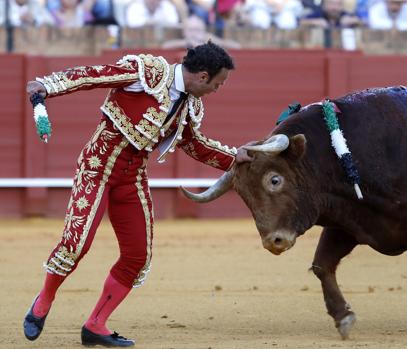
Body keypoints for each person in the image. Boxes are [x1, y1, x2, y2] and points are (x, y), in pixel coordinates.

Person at [23, 42, 252, 347]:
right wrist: (47, 86)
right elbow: (93, 75)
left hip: (132, 178)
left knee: (137, 256)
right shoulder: (147, 72)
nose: (217, 90)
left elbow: (194, 144)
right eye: (218, 83)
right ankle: (44, 300)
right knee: (75, 245)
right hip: (97, 168)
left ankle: (96, 324)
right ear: (203, 76)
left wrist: (236, 157)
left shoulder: (190, 105)